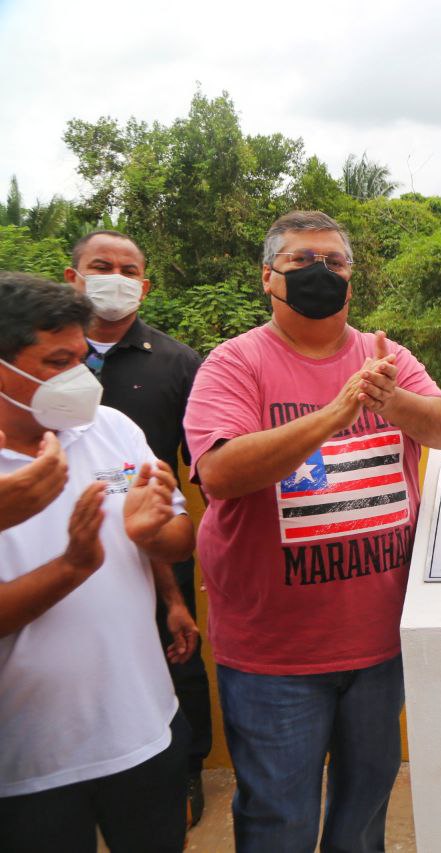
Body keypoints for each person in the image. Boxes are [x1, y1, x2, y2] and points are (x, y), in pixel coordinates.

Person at [184, 210, 441, 852]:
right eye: (302, 262)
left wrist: (391, 400)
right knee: (280, 822)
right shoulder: (235, 364)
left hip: (378, 644)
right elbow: (222, 472)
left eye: (334, 262)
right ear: (268, 278)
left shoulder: (386, 357)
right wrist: (337, 411)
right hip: (274, 655)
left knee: (363, 816)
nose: (320, 273)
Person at [0, 273, 194, 853]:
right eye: (56, 360)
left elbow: (181, 537)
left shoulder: (111, 429)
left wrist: (155, 534)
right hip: (30, 762)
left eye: (82, 359)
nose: (78, 379)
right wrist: (71, 568)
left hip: (144, 729)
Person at [63, 228, 210, 824]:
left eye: (129, 271)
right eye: (102, 266)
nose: (116, 280)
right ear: (73, 278)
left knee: (178, 654)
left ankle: (187, 769)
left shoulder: (177, 362)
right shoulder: (38, 358)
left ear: (145, 287)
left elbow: (200, 463)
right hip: (48, 543)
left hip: (155, 540)